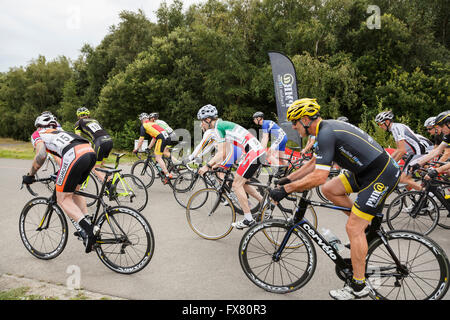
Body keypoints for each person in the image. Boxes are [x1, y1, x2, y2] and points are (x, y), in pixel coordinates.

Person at [269, 98, 401, 300]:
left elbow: (319, 175)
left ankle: (359, 286)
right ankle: (364, 224)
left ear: (305, 119)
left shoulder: (326, 133)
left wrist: (287, 190)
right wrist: (287, 179)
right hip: (365, 171)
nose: (294, 127)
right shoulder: (324, 130)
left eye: (295, 122)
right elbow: (313, 164)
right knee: (330, 189)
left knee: (353, 228)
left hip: (381, 174)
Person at [22, 114, 97, 253]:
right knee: (74, 190)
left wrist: (30, 175)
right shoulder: (59, 132)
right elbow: (59, 158)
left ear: (38, 126)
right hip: (88, 151)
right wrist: (60, 174)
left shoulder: (37, 134)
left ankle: (88, 229)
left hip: (74, 155)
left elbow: (41, 155)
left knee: (63, 199)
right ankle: (87, 224)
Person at [196, 104, 265, 229]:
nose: (201, 125)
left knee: (236, 185)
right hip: (254, 151)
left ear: (208, 119)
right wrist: (218, 165)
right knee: (243, 183)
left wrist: (207, 166)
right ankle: (265, 203)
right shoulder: (223, 125)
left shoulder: (218, 127)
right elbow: (227, 152)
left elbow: (222, 152)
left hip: (252, 152)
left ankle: (248, 219)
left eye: (202, 121)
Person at [375, 110, 433, 190]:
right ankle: (415, 196)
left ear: (387, 122)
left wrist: (390, 164)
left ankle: (426, 194)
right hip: (413, 153)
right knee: (406, 178)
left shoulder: (396, 128)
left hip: (417, 153)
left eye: (380, 124)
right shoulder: (395, 128)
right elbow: (398, 150)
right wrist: (388, 160)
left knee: (403, 179)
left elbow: (402, 151)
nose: (380, 126)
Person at [74, 107, 113, 183]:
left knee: (94, 167)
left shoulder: (78, 123)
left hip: (100, 142)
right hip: (109, 140)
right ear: (88, 114)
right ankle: (110, 181)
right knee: (101, 165)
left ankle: (109, 185)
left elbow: (78, 137)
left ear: (78, 116)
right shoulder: (95, 120)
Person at [133, 112, 173, 184]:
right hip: (167, 137)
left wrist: (137, 149)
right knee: (160, 154)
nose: (141, 122)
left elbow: (141, 139)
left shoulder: (144, 125)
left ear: (142, 120)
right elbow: (154, 138)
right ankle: (168, 168)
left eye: (141, 120)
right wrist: (149, 147)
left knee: (158, 157)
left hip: (162, 139)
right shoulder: (152, 124)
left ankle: (167, 174)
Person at [411, 111, 450, 178]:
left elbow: (447, 153)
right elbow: (437, 150)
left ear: (449, 124)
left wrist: (436, 169)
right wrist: (418, 164)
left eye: (441, 126)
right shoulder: (447, 135)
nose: (440, 129)